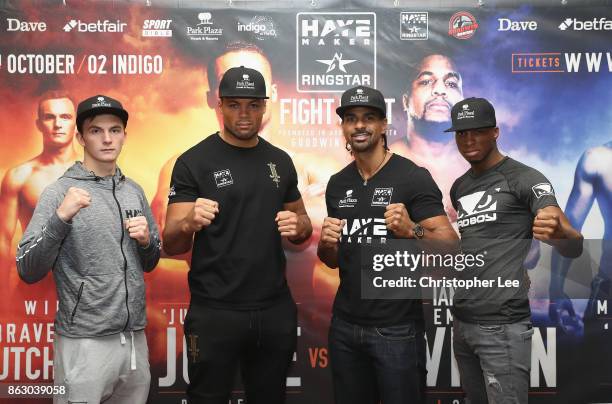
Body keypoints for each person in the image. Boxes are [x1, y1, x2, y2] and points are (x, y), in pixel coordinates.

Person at [163, 66, 313, 403]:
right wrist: (188, 222)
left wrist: (299, 225)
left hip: (273, 309)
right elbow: (172, 242)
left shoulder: (280, 161)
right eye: (234, 104)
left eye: (252, 105)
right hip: (215, 311)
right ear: (219, 106)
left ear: (264, 106)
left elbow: (302, 224)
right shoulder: (193, 162)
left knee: (270, 397)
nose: (244, 114)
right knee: (207, 397)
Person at [16, 95, 161, 404]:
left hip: (134, 339)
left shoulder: (134, 191)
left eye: (115, 129)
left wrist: (148, 242)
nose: (107, 138)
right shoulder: (58, 193)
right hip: (84, 342)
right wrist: (61, 218)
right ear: (80, 137)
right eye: (96, 131)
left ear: (124, 134)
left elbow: (151, 262)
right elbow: (27, 269)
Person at [318, 85, 457, 404]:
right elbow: (333, 259)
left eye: (369, 117)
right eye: (351, 118)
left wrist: (412, 230)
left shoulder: (412, 177)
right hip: (345, 327)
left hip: (396, 329)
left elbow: (450, 246)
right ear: (343, 127)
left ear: (383, 125)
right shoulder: (339, 184)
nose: (359, 125)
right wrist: (327, 245)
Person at [447, 97, 583, 403]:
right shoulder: (459, 187)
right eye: (461, 133)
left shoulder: (525, 178)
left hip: (502, 325)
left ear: (495, 132)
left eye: (477, 131)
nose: (468, 139)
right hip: (463, 322)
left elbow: (572, 244)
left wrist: (561, 233)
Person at [0, 91, 80, 292]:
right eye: (49, 117)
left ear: (76, 122)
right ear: (38, 124)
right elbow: (3, 242)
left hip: (85, 291)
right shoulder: (20, 176)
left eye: (65, 117)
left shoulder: (97, 173)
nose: (57, 124)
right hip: (33, 287)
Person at [392, 54, 469, 221]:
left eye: (451, 84)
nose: (440, 90)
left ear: (462, 102)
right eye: (426, 81)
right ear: (406, 101)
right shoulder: (381, 167)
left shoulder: (487, 167)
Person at [549, 141, 612, 329]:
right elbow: (570, 229)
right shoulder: (597, 160)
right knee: (596, 352)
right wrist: (556, 290)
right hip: (609, 287)